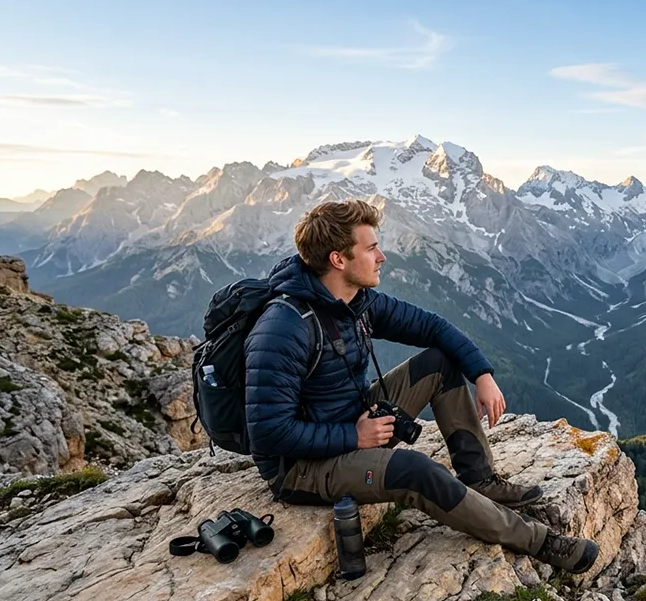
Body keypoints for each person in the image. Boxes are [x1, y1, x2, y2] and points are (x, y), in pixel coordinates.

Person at [243, 198, 598, 573]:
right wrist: (354, 436)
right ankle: (538, 540)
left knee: (440, 362)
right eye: (371, 248)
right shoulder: (283, 328)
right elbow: (267, 434)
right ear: (338, 260)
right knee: (416, 470)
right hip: (303, 467)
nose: (382, 257)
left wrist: (482, 373)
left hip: (351, 417)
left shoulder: (356, 302)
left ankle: (480, 479)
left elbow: (434, 327)